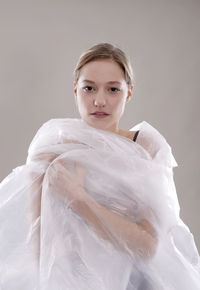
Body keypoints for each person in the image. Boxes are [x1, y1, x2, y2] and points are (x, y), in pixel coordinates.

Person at [0, 43, 200, 290]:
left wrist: (78, 199)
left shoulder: (146, 147)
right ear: (76, 91)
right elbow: (40, 247)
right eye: (89, 88)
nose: (100, 100)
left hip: (140, 283)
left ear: (128, 93)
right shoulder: (51, 151)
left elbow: (148, 246)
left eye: (113, 89)